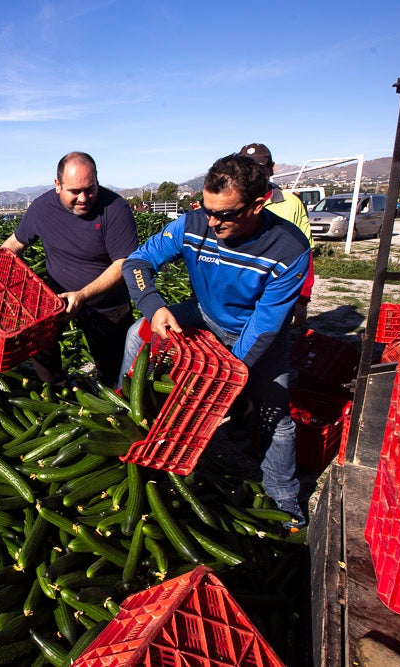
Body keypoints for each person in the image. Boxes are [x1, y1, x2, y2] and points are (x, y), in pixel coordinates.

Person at [117, 153, 312, 529]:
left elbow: (266, 325)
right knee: (134, 334)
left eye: (225, 214)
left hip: (255, 331)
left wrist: (230, 373)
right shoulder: (191, 225)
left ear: (259, 203)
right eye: (207, 208)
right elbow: (136, 264)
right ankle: (127, 424)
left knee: (276, 416)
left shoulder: (289, 249)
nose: (212, 221)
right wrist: (154, 307)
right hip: (205, 314)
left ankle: (285, 501)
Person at [1, 151, 139, 387]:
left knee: (115, 375)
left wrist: (83, 296)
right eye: (74, 191)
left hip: (106, 305)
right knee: (41, 351)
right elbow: (13, 245)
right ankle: (56, 388)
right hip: (56, 299)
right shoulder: (42, 208)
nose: (84, 198)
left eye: (90, 188)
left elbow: (123, 263)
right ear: (58, 185)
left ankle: (111, 403)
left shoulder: (115, 209)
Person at [238, 143, 314, 327]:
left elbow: (305, 254)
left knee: (269, 340)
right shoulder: (233, 200)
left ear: (272, 169)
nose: (253, 174)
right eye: (247, 168)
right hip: (239, 292)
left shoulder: (290, 204)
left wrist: (302, 300)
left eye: (259, 168)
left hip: (276, 291)